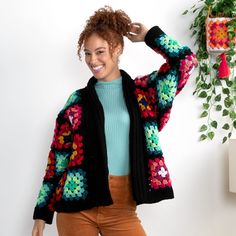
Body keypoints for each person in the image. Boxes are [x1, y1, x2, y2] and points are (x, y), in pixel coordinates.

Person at [32, 5, 197, 236]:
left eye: (100, 51)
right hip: (76, 208)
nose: (92, 60)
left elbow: (186, 61)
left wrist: (150, 36)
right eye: (87, 53)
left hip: (122, 209)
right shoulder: (77, 102)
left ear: (117, 48)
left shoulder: (144, 94)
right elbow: (57, 160)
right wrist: (41, 214)